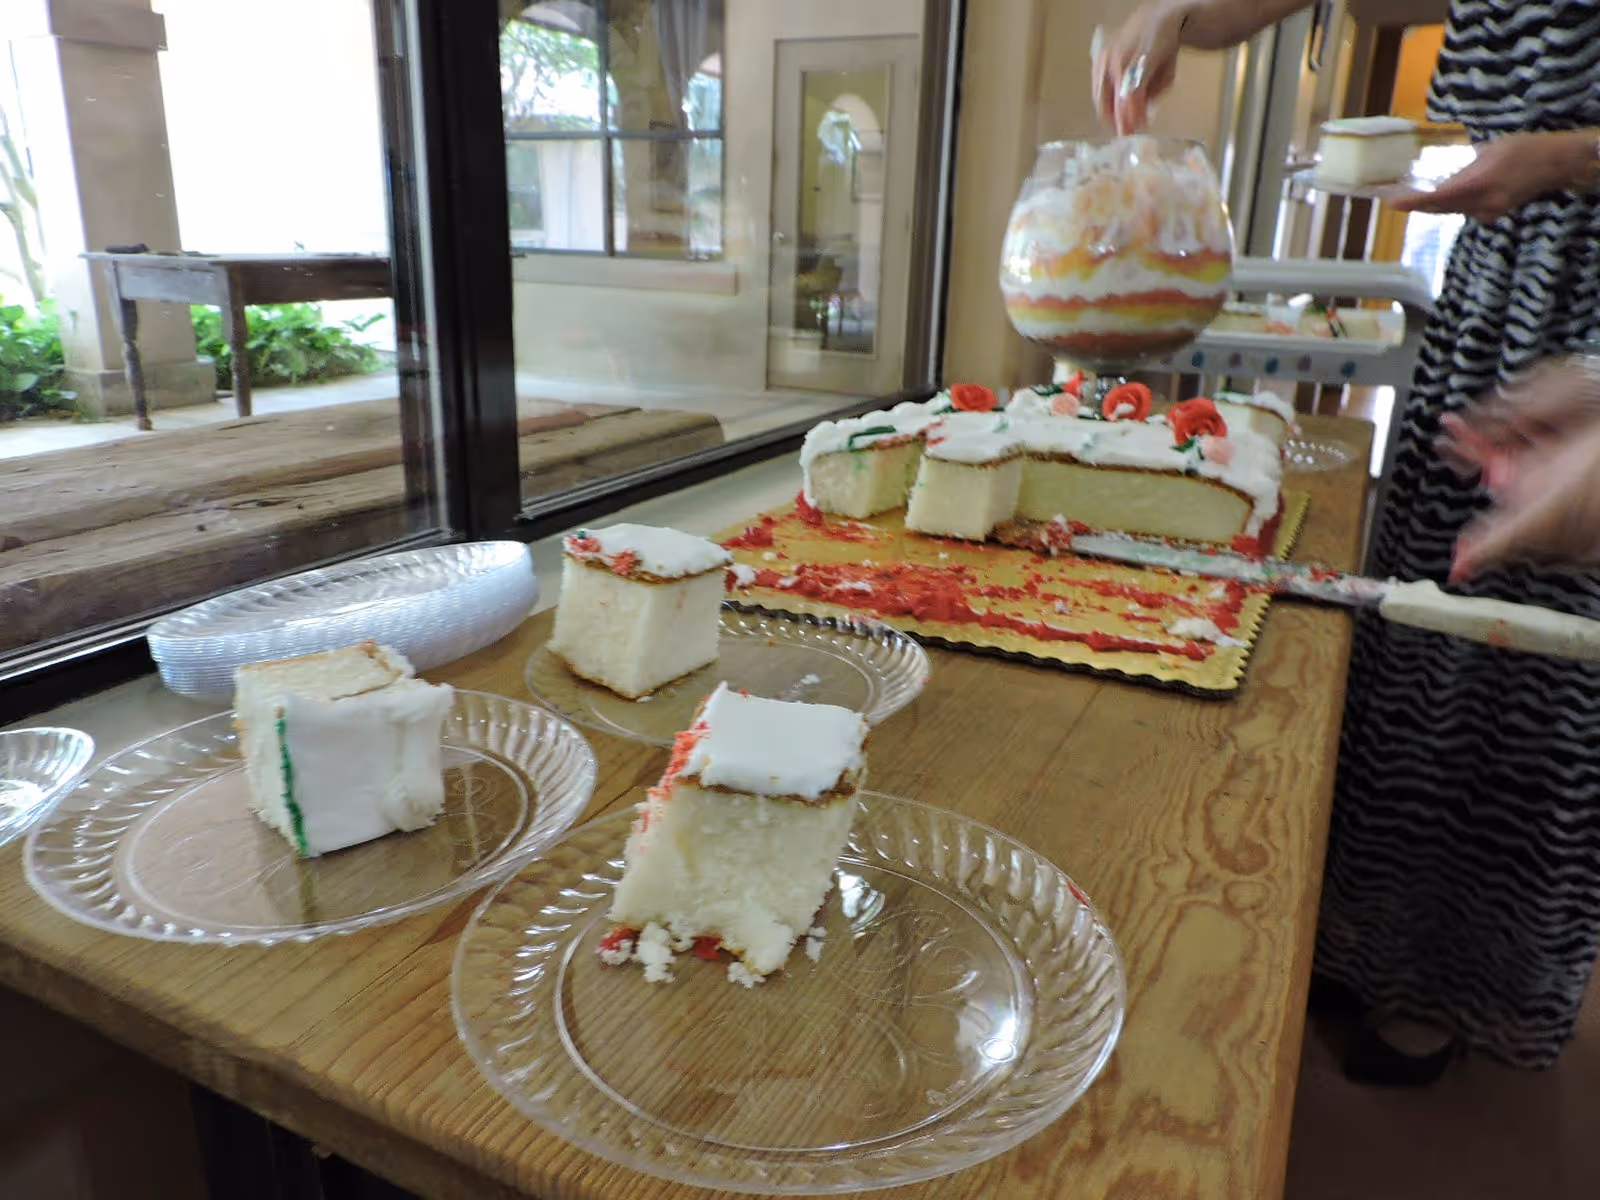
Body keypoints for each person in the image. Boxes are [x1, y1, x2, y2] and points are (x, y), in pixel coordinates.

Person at [1095, 0, 1600, 1081]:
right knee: (1415, 654)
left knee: (1526, 687)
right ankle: (1363, 942)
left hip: (1582, 287)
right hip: (1500, 282)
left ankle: (1460, 985)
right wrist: (1181, 11)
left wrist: (1570, 157)